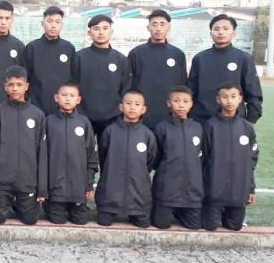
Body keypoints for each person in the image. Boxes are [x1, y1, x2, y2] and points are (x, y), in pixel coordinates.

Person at [0, 66, 47, 225]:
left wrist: (41, 188)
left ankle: (20, 203)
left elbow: (42, 154)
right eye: (11, 84)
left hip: (27, 181)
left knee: (30, 220)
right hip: (3, 181)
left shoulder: (37, 115)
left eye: (19, 84)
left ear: (26, 86)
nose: (15, 88)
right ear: (5, 86)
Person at [95, 89, 157, 228]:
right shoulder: (110, 131)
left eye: (137, 104)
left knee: (143, 224)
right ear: (121, 107)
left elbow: (150, 161)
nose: (132, 107)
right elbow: (103, 156)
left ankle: (136, 210)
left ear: (143, 109)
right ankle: (109, 206)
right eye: (128, 103)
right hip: (110, 194)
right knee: (104, 222)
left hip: (138, 197)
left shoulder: (147, 134)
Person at [201, 83, 259, 231]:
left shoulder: (247, 128)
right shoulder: (209, 126)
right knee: (210, 226)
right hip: (214, 190)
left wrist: (251, 189)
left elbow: (251, 161)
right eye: (225, 97)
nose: (229, 101)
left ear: (240, 99)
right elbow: (203, 159)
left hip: (238, 191)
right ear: (218, 100)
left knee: (234, 227)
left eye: (233, 97)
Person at [188, 14, 263, 124]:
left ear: (234, 33)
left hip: (234, 122)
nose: (221, 32)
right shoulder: (200, 58)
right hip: (202, 121)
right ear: (211, 33)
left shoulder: (243, 58)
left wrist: (251, 121)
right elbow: (191, 91)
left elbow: (253, 93)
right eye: (216, 29)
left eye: (226, 28)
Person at [43, 81, 98, 225]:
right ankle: (53, 205)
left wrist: (88, 184)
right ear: (56, 98)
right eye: (64, 95)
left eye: (72, 96)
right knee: (57, 220)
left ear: (78, 100)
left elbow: (91, 154)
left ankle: (77, 205)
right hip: (55, 187)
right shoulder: (48, 121)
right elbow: (42, 156)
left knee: (81, 220)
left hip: (78, 188)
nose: (68, 99)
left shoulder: (84, 122)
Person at [150, 85, 204, 230]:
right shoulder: (162, 127)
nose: (181, 105)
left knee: (194, 226)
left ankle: (181, 212)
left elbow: (202, 157)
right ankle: (166, 207)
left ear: (191, 104)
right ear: (169, 103)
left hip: (192, 191)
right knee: (161, 224)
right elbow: (156, 157)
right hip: (167, 190)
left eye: (185, 101)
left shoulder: (198, 128)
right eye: (176, 101)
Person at [74, 14, 131, 141]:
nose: (101, 32)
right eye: (96, 28)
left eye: (105, 28)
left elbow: (126, 89)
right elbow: (72, 85)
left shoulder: (121, 60)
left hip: (112, 118)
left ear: (111, 32)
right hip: (83, 116)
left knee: (110, 157)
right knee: (81, 155)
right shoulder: (79, 57)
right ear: (89, 33)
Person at [128, 9, 187, 129]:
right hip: (143, 114)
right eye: (154, 24)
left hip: (170, 115)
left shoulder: (178, 54)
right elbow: (129, 85)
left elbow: (183, 85)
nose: (158, 28)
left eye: (162, 24)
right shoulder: (136, 53)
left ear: (168, 27)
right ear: (148, 27)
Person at [24, 6, 78, 115]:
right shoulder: (32, 47)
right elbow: (26, 77)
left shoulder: (68, 48)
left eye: (58, 22)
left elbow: (74, 78)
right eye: (49, 21)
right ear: (42, 23)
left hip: (62, 110)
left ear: (62, 25)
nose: (53, 25)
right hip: (36, 106)